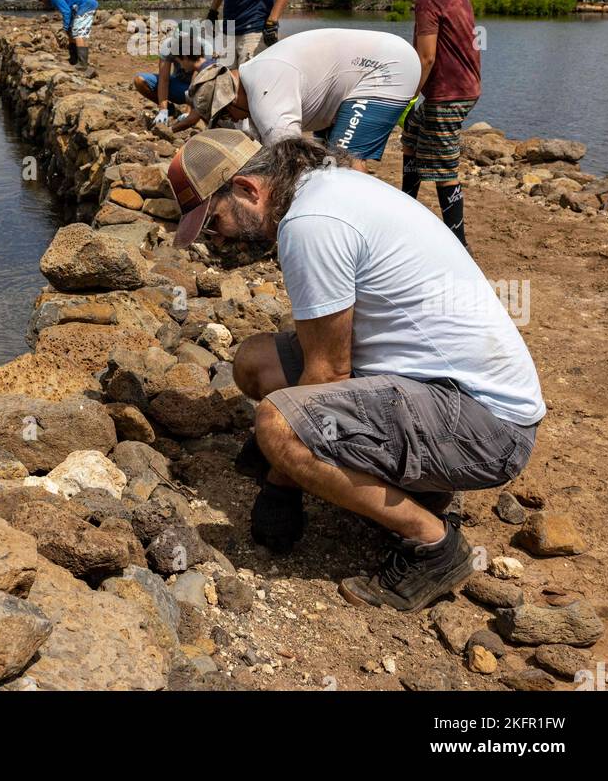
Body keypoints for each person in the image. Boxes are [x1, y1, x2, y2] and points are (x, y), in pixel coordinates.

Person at [166, 131, 545, 613]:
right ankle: (410, 485)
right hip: (446, 393)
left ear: (248, 188)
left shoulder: (311, 222)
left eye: (213, 220)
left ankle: (434, 545)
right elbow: (325, 347)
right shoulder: (325, 187)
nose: (213, 238)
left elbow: (328, 371)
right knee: (256, 361)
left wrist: (282, 481)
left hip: (488, 427)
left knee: (280, 426)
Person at [176, 28, 420, 163]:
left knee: (344, 164)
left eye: (226, 113)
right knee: (327, 166)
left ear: (231, 99)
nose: (230, 120)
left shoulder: (265, 93)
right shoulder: (252, 78)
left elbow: (291, 160)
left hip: (385, 68)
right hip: (352, 77)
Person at [401, 0, 482, 248]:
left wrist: (407, 95)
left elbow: (426, 56)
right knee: (411, 135)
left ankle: (458, 243)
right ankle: (405, 210)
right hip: (464, 88)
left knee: (445, 168)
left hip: (448, 95)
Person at [132, 23, 210, 125]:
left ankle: (196, 113)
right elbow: (164, 79)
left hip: (199, 91)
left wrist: (189, 112)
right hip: (178, 86)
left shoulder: (204, 48)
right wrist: (163, 110)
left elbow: (197, 82)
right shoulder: (168, 45)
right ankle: (170, 110)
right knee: (140, 80)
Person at [37, 0, 99, 70]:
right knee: (72, 33)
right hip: (82, 6)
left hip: (86, 6)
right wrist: (68, 27)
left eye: (41, 0)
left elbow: (66, 11)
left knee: (79, 34)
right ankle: (74, 59)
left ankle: (82, 64)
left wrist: (65, 27)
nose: (43, 2)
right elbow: (69, 6)